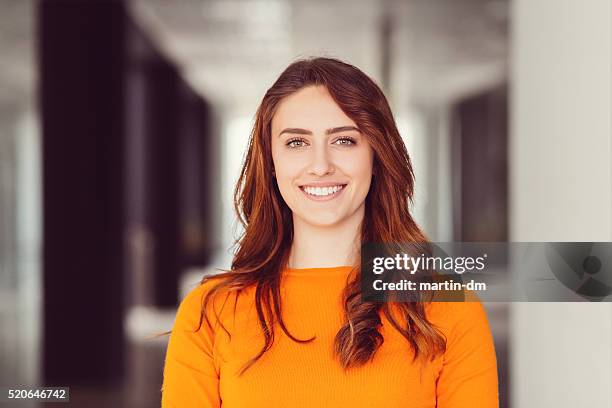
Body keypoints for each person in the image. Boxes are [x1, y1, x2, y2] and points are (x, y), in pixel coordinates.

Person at [161, 57, 499, 407]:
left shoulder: (446, 307)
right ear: (272, 162)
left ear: (376, 154)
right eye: (296, 143)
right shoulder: (210, 312)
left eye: (344, 141)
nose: (321, 165)